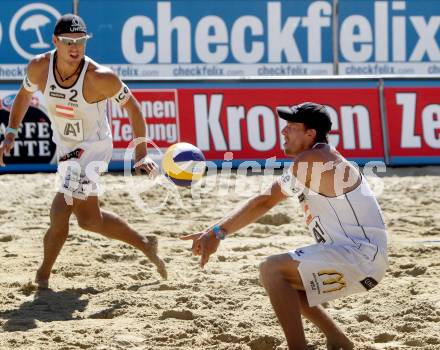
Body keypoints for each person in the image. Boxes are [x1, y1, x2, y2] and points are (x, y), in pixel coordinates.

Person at [182, 102, 388, 350]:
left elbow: (265, 201)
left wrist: (217, 232)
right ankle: (338, 340)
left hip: (359, 256)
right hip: (364, 258)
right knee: (287, 281)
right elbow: (264, 200)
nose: (283, 132)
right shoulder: (322, 156)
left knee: (272, 270)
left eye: (291, 127)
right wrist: (214, 231)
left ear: (310, 134)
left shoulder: (313, 159)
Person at [0, 14, 167, 288]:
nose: (75, 48)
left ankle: (42, 276)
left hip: (93, 147)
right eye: (68, 42)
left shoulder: (100, 77)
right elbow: (22, 96)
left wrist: (141, 154)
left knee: (60, 208)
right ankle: (146, 243)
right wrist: (11, 132)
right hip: (66, 145)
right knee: (90, 220)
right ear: (55, 41)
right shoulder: (39, 67)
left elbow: (134, 109)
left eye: (80, 41)